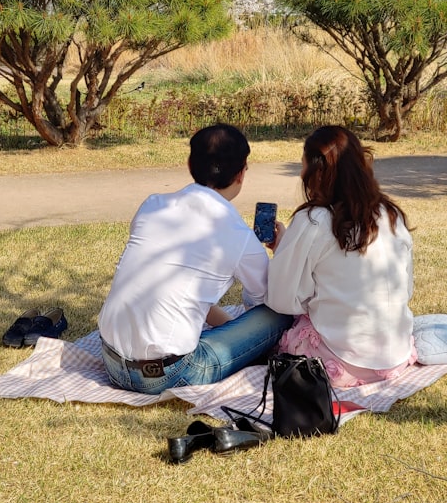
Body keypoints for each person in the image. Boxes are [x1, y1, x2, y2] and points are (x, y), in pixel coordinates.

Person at [98, 123, 292, 395]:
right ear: (241, 174)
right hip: (168, 375)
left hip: (110, 360)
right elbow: (270, 303)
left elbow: (176, 287)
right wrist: (281, 251)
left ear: (190, 164)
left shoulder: (152, 205)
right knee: (280, 314)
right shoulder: (237, 235)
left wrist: (229, 326)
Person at [267, 126, 416, 388]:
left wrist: (284, 253)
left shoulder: (313, 221)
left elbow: (282, 300)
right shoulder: (391, 214)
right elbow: (407, 287)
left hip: (340, 361)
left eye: (302, 166)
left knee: (277, 325)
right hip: (395, 357)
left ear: (315, 171)